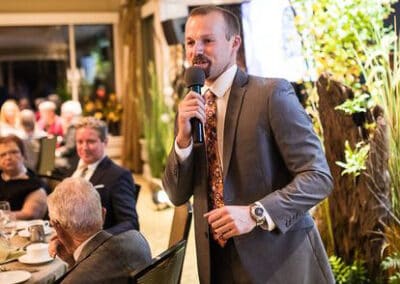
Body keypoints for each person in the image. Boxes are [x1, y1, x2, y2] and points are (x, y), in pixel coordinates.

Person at [162, 5, 334, 284]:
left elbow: (318, 177)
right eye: (190, 42)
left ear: (235, 43)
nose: (197, 51)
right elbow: (177, 195)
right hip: (216, 265)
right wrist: (182, 140)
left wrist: (256, 214)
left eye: (208, 40)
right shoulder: (190, 108)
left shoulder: (271, 94)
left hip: (278, 264)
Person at [47, 177, 151, 283]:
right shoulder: (138, 239)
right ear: (103, 214)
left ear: (58, 228)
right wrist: (72, 261)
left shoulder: (73, 281)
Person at [66, 116, 139, 234]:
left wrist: (97, 239)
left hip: (98, 246)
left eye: (91, 141)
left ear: (105, 142)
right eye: (80, 142)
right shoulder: (70, 170)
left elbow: (130, 223)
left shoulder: (118, 176)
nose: (84, 147)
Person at [0, 135, 47, 220]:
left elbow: (29, 214)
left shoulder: (34, 185)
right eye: (2, 155)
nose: (8, 157)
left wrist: (4, 216)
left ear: (23, 155)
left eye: (14, 152)